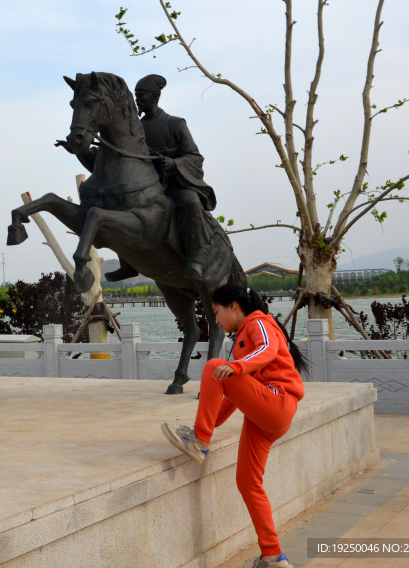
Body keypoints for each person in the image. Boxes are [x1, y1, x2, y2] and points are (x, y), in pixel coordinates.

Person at [161, 285, 309, 568]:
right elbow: (230, 395)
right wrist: (211, 421)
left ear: (234, 307)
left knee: (213, 366)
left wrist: (203, 434)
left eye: (216, 312)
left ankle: (200, 442)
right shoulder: (241, 338)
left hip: (278, 402)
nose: (216, 320)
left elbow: (269, 349)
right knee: (248, 483)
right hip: (264, 416)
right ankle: (273, 557)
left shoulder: (259, 322)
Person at [89, 74, 218, 283]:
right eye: (136, 96)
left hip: (173, 186)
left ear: (155, 96)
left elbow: (195, 156)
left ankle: (196, 256)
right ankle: (128, 264)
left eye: (141, 96)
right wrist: (81, 151)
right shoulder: (134, 130)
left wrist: (174, 163)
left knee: (190, 201)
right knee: (117, 207)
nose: (137, 101)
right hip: (142, 188)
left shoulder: (175, 124)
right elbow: (113, 165)